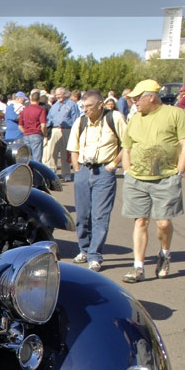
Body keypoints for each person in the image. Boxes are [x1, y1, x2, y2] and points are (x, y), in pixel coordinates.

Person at [120, 79, 185, 283]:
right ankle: (138, 267)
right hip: (137, 179)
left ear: (151, 97)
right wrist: (127, 170)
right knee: (141, 221)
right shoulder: (135, 119)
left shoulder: (175, 114)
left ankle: (164, 253)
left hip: (165, 179)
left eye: (137, 98)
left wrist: (179, 171)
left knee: (163, 223)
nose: (134, 102)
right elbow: (126, 147)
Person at [66, 89, 127, 271]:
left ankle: (95, 255)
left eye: (89, 106)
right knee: (83, 215)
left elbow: (127, 144)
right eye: (83, 106)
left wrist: (113, 165)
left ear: (100, 105)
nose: (86, 110)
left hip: (104, 171)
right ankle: (83, 249)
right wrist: (77, 169)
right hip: (84, 170)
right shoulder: (81, 121)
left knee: (100, 215)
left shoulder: (114, 118)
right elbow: (73, 147)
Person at [44, 87, 81, 181]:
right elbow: (49, 118)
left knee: (66, 153)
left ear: (64, 94)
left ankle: (66, 174)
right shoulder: (54, 105)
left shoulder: (72, 104)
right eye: (56, 95)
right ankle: (52, 173)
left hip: (66, 130)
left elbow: (76, 119)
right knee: (52, 153)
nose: (58, 96)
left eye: (59, 94)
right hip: (54, 130)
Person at [18, 90, 47, 160]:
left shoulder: (24, 110)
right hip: (36, 134)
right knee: (37, 158)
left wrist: (25, 131)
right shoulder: (41, 110)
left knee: (28, 158)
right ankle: (36, 171)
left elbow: (20, 126)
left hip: (26, 135)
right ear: (39, 99)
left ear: (30, 98)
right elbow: (43, 125)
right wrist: (45, 135)